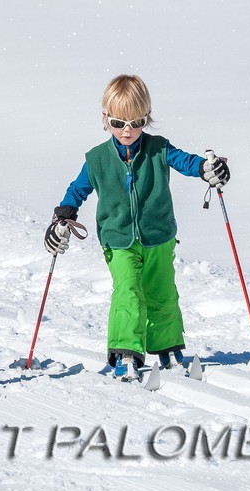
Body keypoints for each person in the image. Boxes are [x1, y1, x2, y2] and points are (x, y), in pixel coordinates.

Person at [45, 75, 229, 379]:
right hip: (118, 241)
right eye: (118, 123)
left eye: (136, 122)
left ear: (147, 117)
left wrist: (206, 168)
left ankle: (167, 346)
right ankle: (126, 351)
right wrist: (62, 216)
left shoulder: (159, 149)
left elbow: (186, 162)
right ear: (105, 118)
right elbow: (77, 190)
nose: (127, 131)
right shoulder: (97, 159)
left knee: (162, 292)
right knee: (128, 292)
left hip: (158, 237)